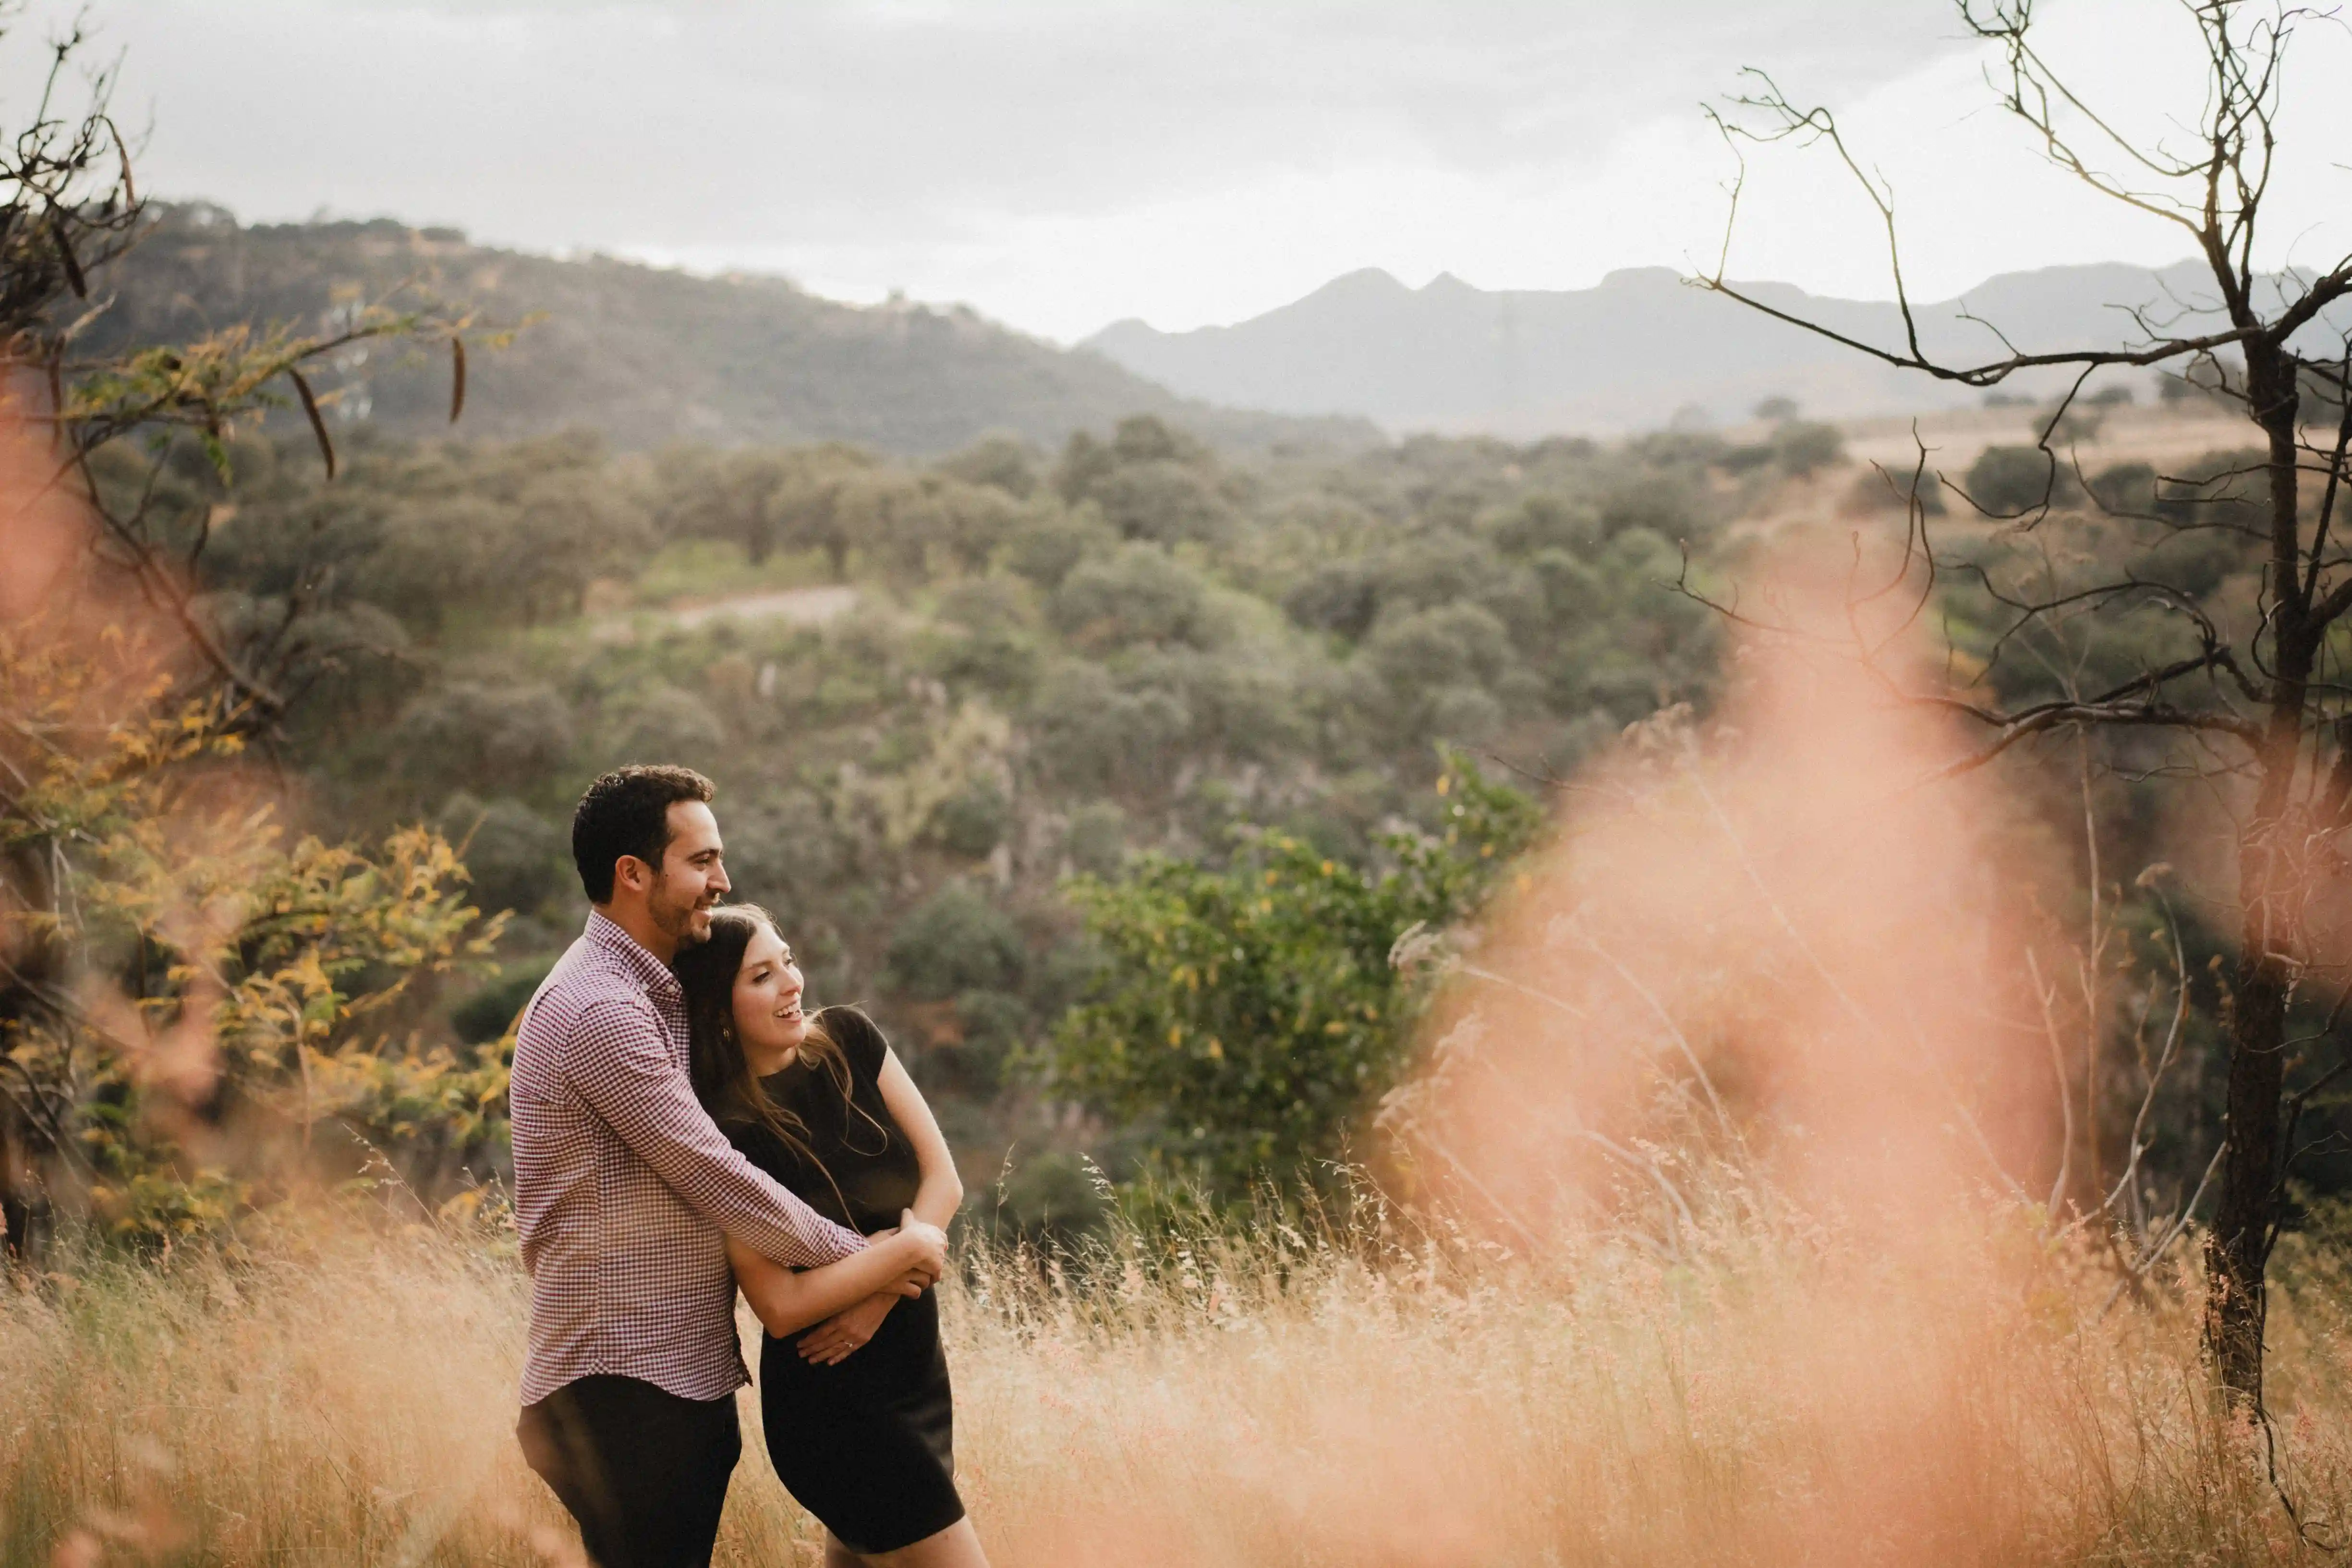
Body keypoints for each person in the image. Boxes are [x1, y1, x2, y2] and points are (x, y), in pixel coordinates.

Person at [509, 766, 950, 1568]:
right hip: (622, 1385)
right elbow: (721, 1179)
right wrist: (889, 1262)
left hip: (669, 1380)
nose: (723, 879)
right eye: (702, 861)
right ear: (634, 875)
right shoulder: (601, 1009)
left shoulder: (656, 993)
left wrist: (887, 1274)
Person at [676, 904, 991, 1568]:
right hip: (836, 1405)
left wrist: (881, 1294)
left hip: (914, 1373)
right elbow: (780, 1306)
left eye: (787, 961)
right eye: (761, 976)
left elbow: (944, 1184)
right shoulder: (726, 1135)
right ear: (717, 1011)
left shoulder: (851, 1038)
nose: (791, 983)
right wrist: (906, 1251)